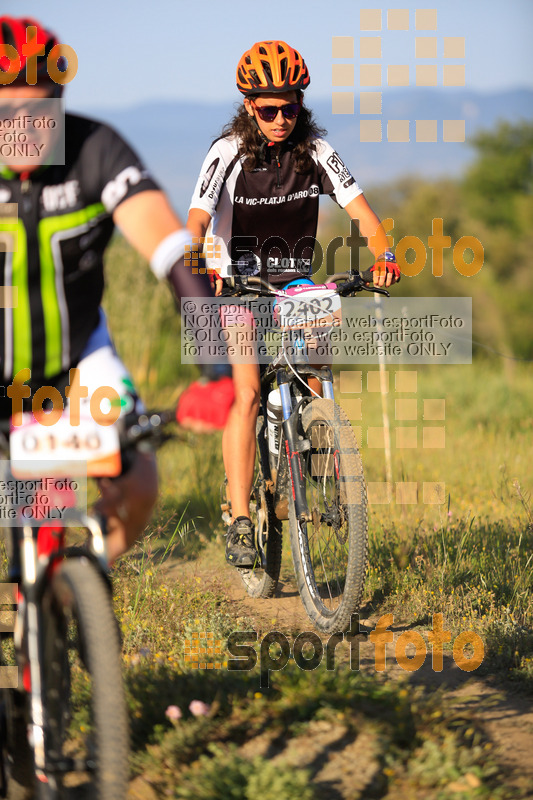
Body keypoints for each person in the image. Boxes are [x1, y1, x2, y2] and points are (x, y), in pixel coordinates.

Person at [0, 15, 233, 566]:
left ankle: (76, 583)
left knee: (139, 484)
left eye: (39, 111)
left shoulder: (96, 148)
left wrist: (216, 366)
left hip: (77, 360)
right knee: (30, 511)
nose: (23, 128)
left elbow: (172, 251)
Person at [188, 40, 400, 567]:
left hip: (295, 283)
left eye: (291, 107)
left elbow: (363, 213)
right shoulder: (227, 153)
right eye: (268, 110)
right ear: (248, 107)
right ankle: (240, 518)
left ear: (301, 104)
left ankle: (313, 452)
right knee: (247, 394)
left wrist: (385, 252)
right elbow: (196, 221)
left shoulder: (317, 152)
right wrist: (200, 261)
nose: (281, 118)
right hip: (237, 284)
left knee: (315, 372)